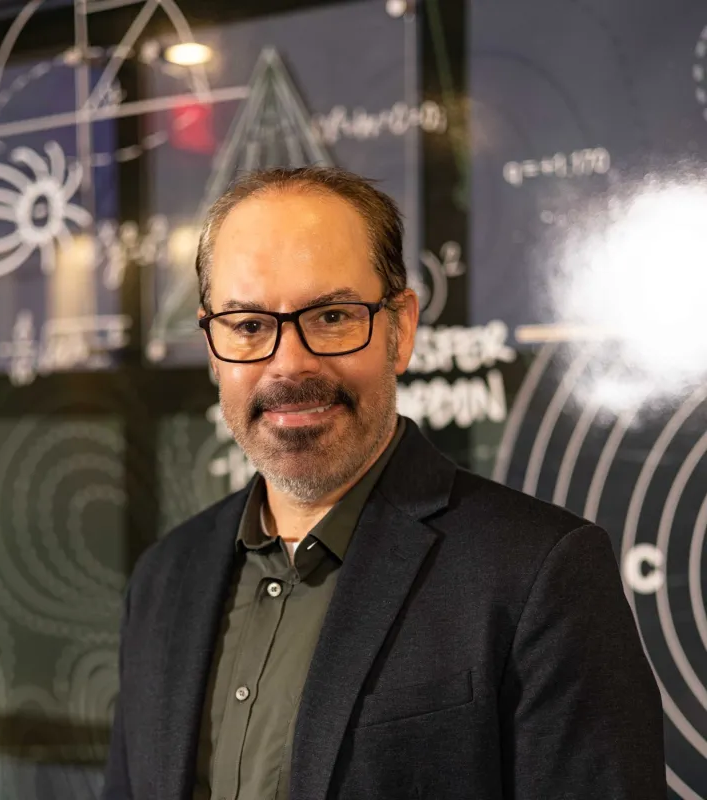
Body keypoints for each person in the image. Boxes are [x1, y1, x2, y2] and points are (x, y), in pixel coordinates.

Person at [102, 167, 666, 800]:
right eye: (249, 325)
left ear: (400, 329)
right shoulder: (161, 581)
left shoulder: (540, 574)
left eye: (334, 316)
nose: (289, 364)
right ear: (212, 347)